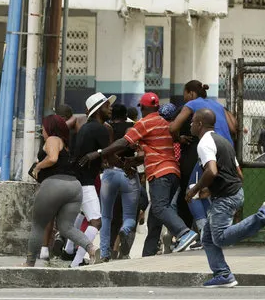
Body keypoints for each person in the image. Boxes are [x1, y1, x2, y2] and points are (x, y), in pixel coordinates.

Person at [80, 92, 199, 257]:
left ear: (142, 107)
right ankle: (148, 254)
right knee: (155, 217)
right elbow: (150, 152)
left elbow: (123, 142)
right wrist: (131, 162)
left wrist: (99, 153)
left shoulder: (144, 123)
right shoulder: (167, 122)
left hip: (158, 173)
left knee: (157, 208)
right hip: (173, 173)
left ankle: (184, 233)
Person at [186, 108, 265, 287]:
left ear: (200, 124)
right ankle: (223, 274)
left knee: (220, 238)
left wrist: (194, 191)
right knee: (208, 238)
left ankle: (262, 217)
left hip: (225, 197)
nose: (190, 124)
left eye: (193, 121)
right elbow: (237, 173)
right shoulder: (223, 141)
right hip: (233, 192)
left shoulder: (204, 143)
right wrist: (211, 190)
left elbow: (212, 171)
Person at [25, 115, 99, 266]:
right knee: (66, 227)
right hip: (74, 187)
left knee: (38, 224)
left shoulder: (52, 139)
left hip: (54, 185)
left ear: (50, 128)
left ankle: (29, 262)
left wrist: (38, 166)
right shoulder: (65, 145)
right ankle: (91, 248)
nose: (42, 132)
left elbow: (52, 158)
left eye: (43, 128)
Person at [169, 80, 237, 243]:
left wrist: (178, 138)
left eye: (185, 94)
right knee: (209, 192)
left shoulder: (192, 104)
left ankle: (205, 234)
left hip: (211, 150)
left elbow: (172, 127)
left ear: (191, 93)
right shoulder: (217, 105)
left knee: (192, 191)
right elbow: (234, 128)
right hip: (228, 150)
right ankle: (216, 230)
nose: (185, 98)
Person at [62, 92, 114, 267]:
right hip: (85, 182)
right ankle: (76, 263)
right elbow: (111, 156)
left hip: (77, 179)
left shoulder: (85, 127)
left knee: (83, 213)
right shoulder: (101, 129)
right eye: (107, 106)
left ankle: (69, 250)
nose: (110, 108)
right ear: (98, 110)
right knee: (96, 222)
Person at [99, 104, 142, 261]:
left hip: (109, 173)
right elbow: (139, 149)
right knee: (129, 215)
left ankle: (104, 253)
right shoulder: (133, 127)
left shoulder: (106, 128)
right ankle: (125, 229)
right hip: (128, 173)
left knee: (106, 216)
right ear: (126, 115)